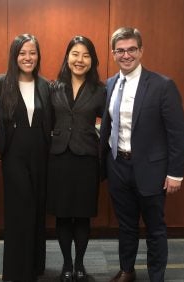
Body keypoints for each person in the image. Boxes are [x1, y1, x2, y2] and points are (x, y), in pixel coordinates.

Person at [99, 27, 184, 282]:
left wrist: (175, 174)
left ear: (141, 51)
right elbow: (109, 125)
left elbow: (177, 133)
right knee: (125, 225)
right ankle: (127, 270)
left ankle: (156, 276)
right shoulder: (111, 84)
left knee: (155, 228)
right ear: (114, 53)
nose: (126, 55)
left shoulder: (162, 85)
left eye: (131, 50)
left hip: (152, 171)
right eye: (120, 50)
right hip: (118, 167)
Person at [0, 33, 51, 282]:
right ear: (15, 56)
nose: (28, 58)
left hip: (40, 153)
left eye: (33, 53)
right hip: (14, 154)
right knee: (20, 210)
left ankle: (36, 265)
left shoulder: (46, 85)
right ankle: (17, 271)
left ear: (38, 56)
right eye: (23, 53)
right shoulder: (0, 82)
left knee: (37, 209)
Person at [46, 36, 106, 282]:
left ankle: (80, 264)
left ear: (92, 60)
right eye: (75, 54)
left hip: (86, 159)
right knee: (62, 215)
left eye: (85, 55)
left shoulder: (101, 90)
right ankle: (67, 265)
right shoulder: (52, 87)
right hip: (58, 158)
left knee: (82, 215)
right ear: (67, 57)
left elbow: (112, 123)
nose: (79, 60)